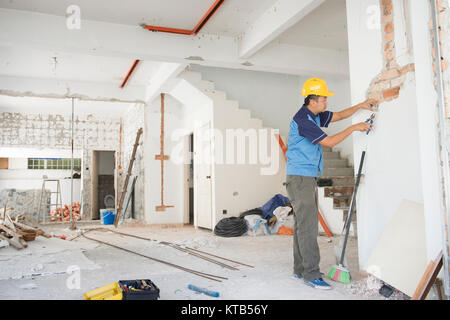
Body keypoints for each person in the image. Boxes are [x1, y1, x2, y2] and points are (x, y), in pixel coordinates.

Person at [285, 77, 377, 290]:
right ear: (312, 100)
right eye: (324, 99)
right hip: (300, 178)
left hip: (305, 176)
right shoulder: (303, 120)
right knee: (308, 227)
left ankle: (300, 270)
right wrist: (355, 128)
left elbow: (339, 115)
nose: (327, 102)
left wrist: (361, 106)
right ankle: (311, 274)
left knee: (301, 225)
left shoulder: (314, 115)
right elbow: (330, 142)